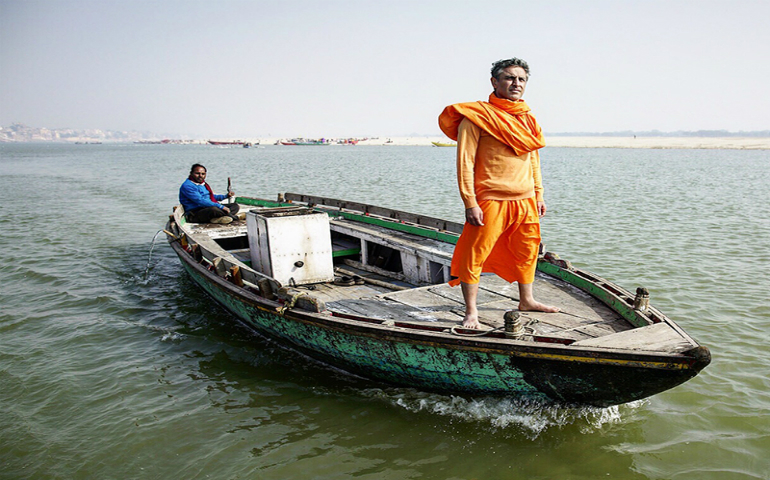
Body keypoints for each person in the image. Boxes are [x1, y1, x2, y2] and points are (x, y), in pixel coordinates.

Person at [438, 57, 559, 329]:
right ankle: (471, 312)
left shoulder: (527, 118)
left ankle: (526, 300)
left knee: (527, 251)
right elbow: (465, 163)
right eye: (509, 78)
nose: (516, 83)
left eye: (521, 79)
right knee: (475, 254)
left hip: (525, 199)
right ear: (494, 82)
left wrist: (539, 193)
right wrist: (470, 202)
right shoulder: (476, 117)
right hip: (490, 199)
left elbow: (533, 160)